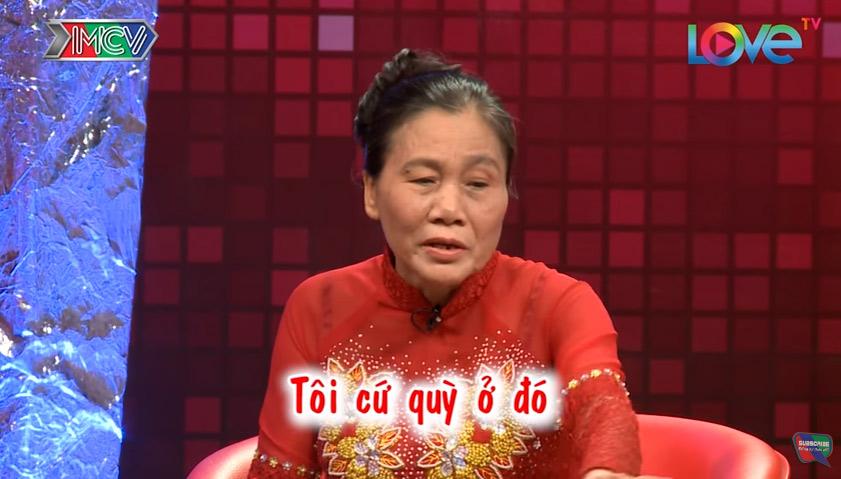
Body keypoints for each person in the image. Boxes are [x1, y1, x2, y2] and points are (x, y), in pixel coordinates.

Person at [248, 48, 657, 479]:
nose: (449, 209)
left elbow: (604, 413)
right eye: (424, 180)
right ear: (371, 190)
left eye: (477, 184)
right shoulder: (320, 306)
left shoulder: (559, 304)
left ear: (505, 195)